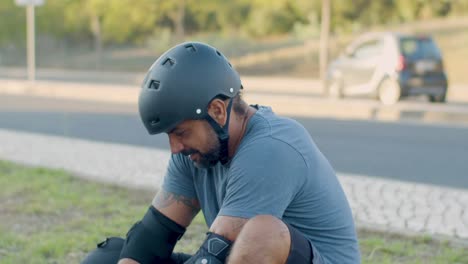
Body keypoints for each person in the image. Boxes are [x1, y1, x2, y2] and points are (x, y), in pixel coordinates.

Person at [81, 42, 360, 264]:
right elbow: (155, 233)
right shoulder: (193, 153)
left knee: (262, 233)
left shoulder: (271, 147)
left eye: (180, 132)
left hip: (283, 255)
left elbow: (214, 255)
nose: (175, 147)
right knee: (108, 257)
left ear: (217, 110)